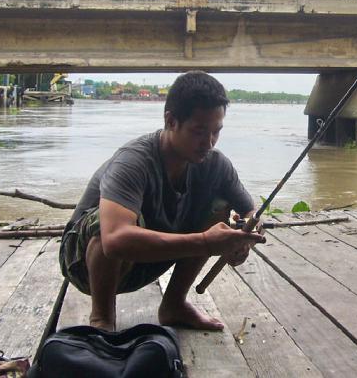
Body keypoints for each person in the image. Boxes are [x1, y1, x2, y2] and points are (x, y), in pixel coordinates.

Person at [59, 71, 265, 331]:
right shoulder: (133, 161)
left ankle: (174, 305)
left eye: (216, 132)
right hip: (85, 264)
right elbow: (113, 241)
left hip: (150, 257)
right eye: (199, 131)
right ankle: (102, 318)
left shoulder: (216, 164)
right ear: (171, 121)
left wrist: (245, 235)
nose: (209, 142)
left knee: (220, 206)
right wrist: (205, 242)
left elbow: (249, 211)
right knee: (106, 223)